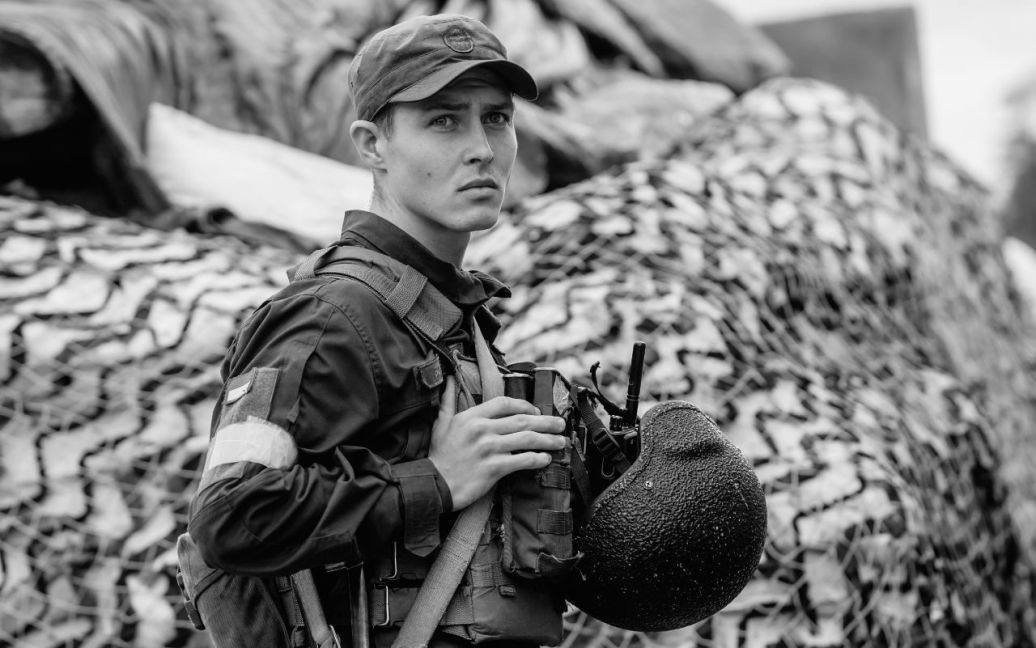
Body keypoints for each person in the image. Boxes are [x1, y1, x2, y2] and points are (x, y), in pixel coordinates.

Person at [185, 13, 570, 648]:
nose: (482, 147)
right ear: (372, 145)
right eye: (444, 120)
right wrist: (435, 481)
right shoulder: (333, 314)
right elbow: (230, 516)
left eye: (496, 118)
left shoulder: (444, 313)